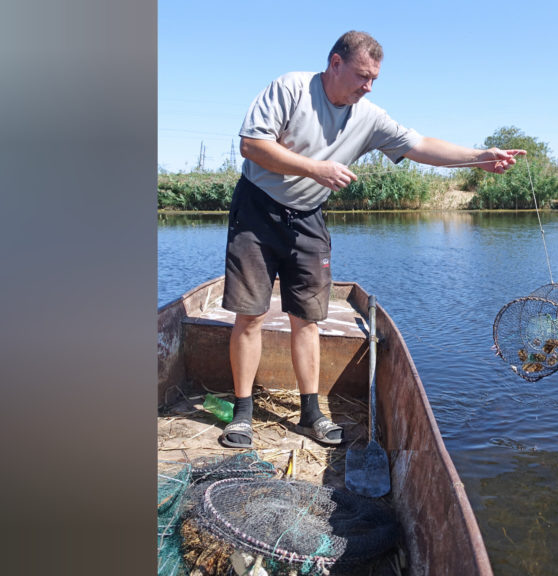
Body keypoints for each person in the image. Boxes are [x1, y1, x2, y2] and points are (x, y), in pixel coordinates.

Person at [220, 30, 525, 448]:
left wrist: (479, 157)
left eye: (374, 80)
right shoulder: (291, 88)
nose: (367, 86)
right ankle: (242, 414)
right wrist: (316, 168)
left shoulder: (369, 117)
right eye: (362, 76)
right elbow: (252, 146)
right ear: (335, 63)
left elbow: (421, 146)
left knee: (308, 319)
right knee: (250, 315)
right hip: (257, 208)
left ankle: (312, 415)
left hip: (308, 216)